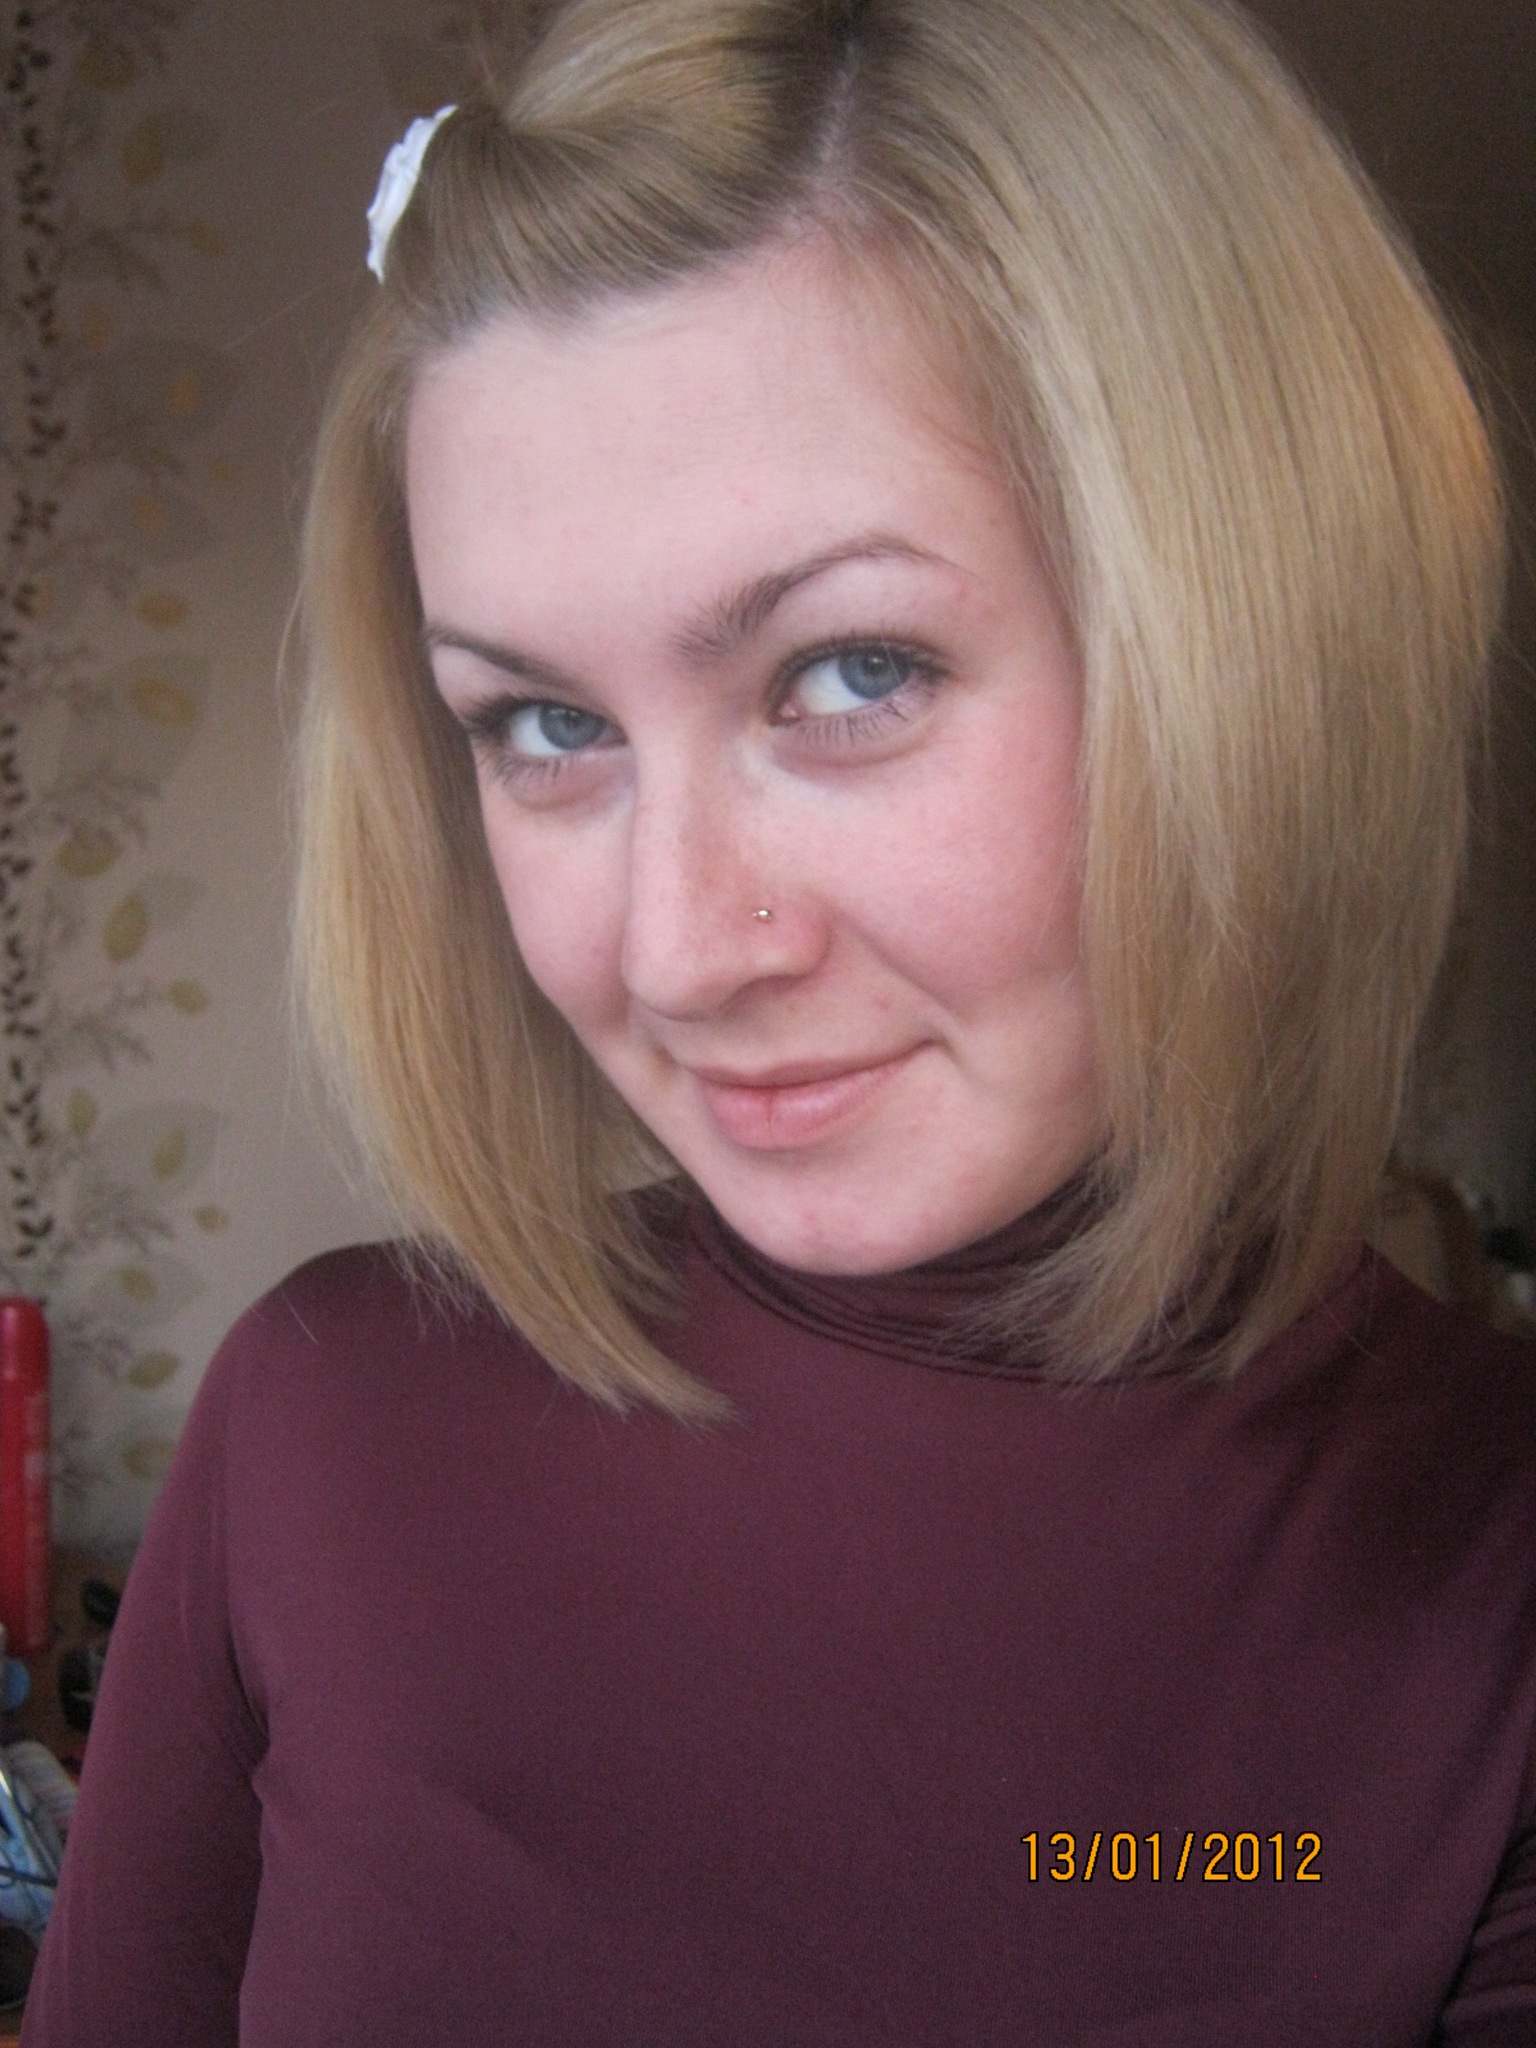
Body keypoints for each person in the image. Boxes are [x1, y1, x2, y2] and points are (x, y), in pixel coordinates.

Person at [22, 0, 1534, 2040]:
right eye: (542, 724)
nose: (674, 952)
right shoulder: (320, 1430)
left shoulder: (1483, 1587)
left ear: (1269, 649)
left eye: (850, 674)